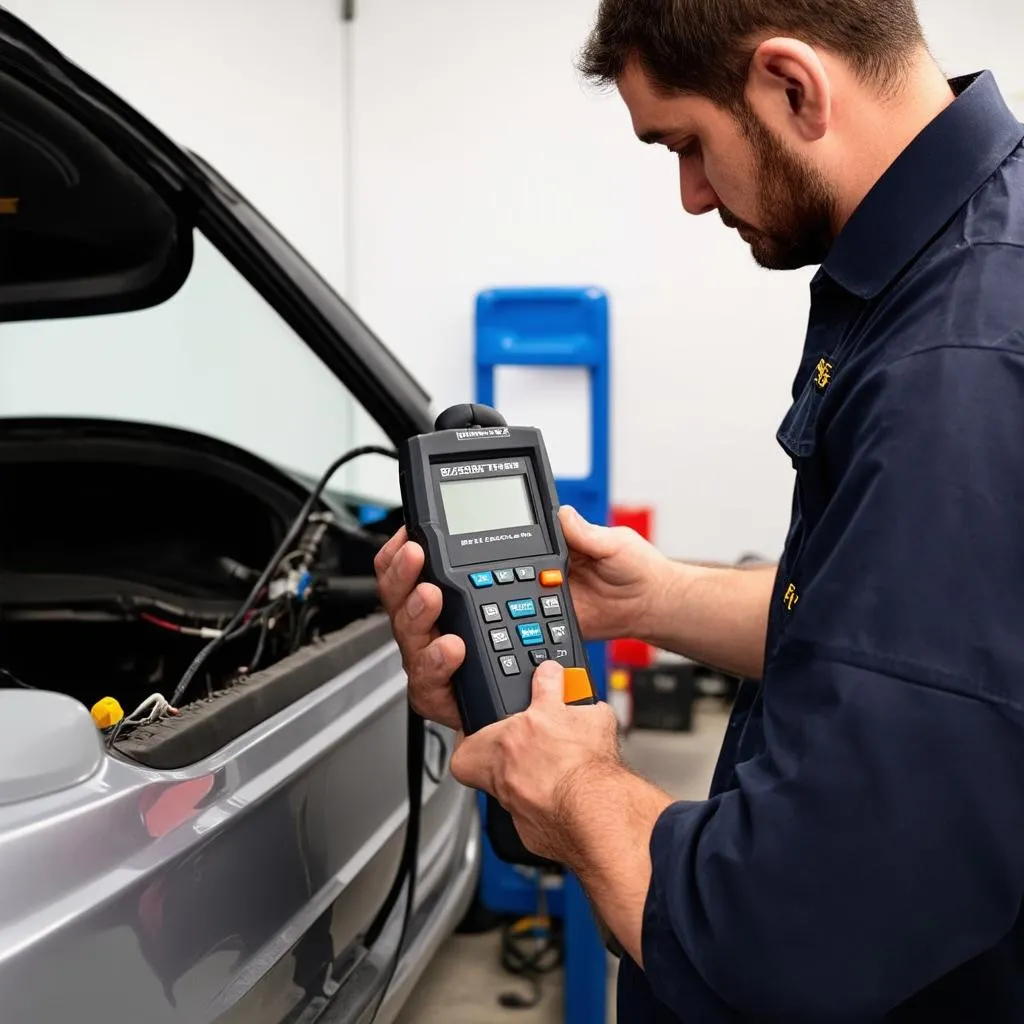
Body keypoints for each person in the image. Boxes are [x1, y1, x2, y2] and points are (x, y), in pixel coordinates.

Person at [375, 0, 1024, 1019]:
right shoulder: (968, 258)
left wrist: (581, 786)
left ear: (792, 85)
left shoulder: (955, 372)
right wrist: (650, 598)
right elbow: (903, 633)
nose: (687, 196)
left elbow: (791, 932)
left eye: (686, 144)